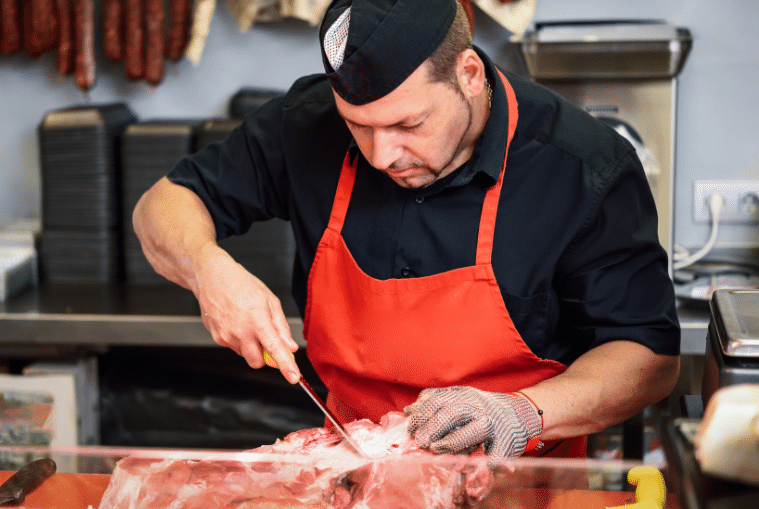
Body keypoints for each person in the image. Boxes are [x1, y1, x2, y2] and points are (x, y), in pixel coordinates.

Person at [132, 0, 680, 463]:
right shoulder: (306, 124)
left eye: (407, 125)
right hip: (355, 471)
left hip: (520, 479)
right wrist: (210, 270)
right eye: (358, 126)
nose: (381, 155)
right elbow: (163, 206)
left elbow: (647, 355)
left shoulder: (580, 166)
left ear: (468, 74)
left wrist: (518, 413)